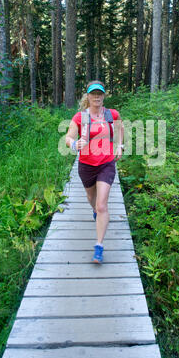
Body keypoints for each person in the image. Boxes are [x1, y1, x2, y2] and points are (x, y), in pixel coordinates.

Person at [65, 80, 124, 263]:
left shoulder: (111, 114)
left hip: (106, 163)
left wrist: (119, 146)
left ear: (103, 96)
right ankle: (94, 210)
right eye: (93, 94)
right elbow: (68, 137)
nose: (97, 96)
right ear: (88, 97)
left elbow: (120, 127)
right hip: (86, 164)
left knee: (102, 205)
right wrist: (74, 144)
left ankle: (99, 246)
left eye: (100, 93)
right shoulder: (80, 117)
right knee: (91, 198)